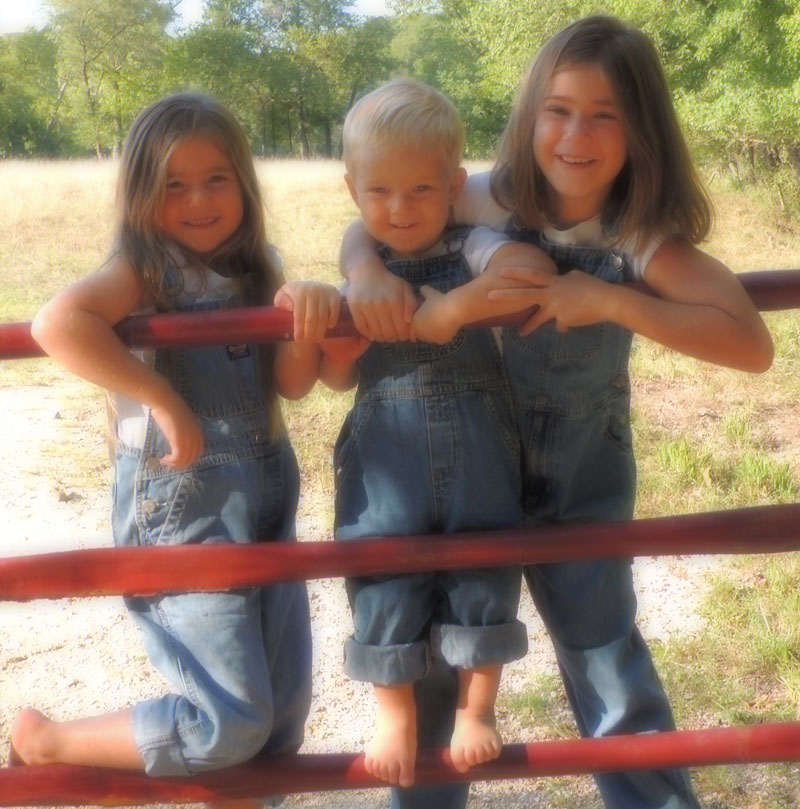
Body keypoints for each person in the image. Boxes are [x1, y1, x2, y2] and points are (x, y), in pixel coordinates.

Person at [339, 16, 774, 809]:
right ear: (531, 113)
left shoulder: (638, 236)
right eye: (559, 108)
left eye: (606, 113)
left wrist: (611, 298)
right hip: (469, 476)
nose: (577, 133)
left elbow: (750, 343)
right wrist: (360, 263)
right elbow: (387, 205)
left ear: (641, 131)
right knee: (441, 660)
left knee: (606, 666)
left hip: (579, 481)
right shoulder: (488, 198)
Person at [11, 93, 342, 795]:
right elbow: (56, 322)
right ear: (141, 194)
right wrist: (164, 399)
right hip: (181, 515)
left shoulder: (259, 267)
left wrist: (303, 312)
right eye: (174, 184)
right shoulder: (141, 270)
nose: (199, 200)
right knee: (229, 718)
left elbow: (291, 383)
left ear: (243, 185)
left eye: (216, 178)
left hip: (263, 506)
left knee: (280, 719)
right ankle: (52, 740)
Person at [320, 78, 555, 796]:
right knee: (381, 571)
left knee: (487, 567)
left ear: (453, 186)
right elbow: (333, 378)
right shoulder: (360, 266)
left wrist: (453, 307)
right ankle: (393, 712)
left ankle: (476, 708)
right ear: (354, 188)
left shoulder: (473, 242)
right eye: (380, 192)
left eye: (420, 190)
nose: (399, 209)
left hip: (480, 447)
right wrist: (358, 281)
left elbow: (531, 271)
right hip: (384, 454)